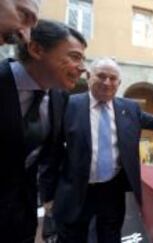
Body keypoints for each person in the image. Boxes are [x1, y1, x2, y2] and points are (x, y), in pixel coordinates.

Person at [41, 58, 153, 242]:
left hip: (111, 190)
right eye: (101, 76)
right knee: (73, 237)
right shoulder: (70, 105)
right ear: (88, 77)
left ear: (119, 83)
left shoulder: (129, 108)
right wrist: (47, 195)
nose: (107, 82)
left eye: (113, 78)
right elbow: (50, 152)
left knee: (110, 235)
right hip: (76, 190)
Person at [0, 20, 87, 243]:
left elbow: (49, 154)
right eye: (75, 57)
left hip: (21, 218)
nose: (83, 68)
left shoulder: (58, 98)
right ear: (37, 49)